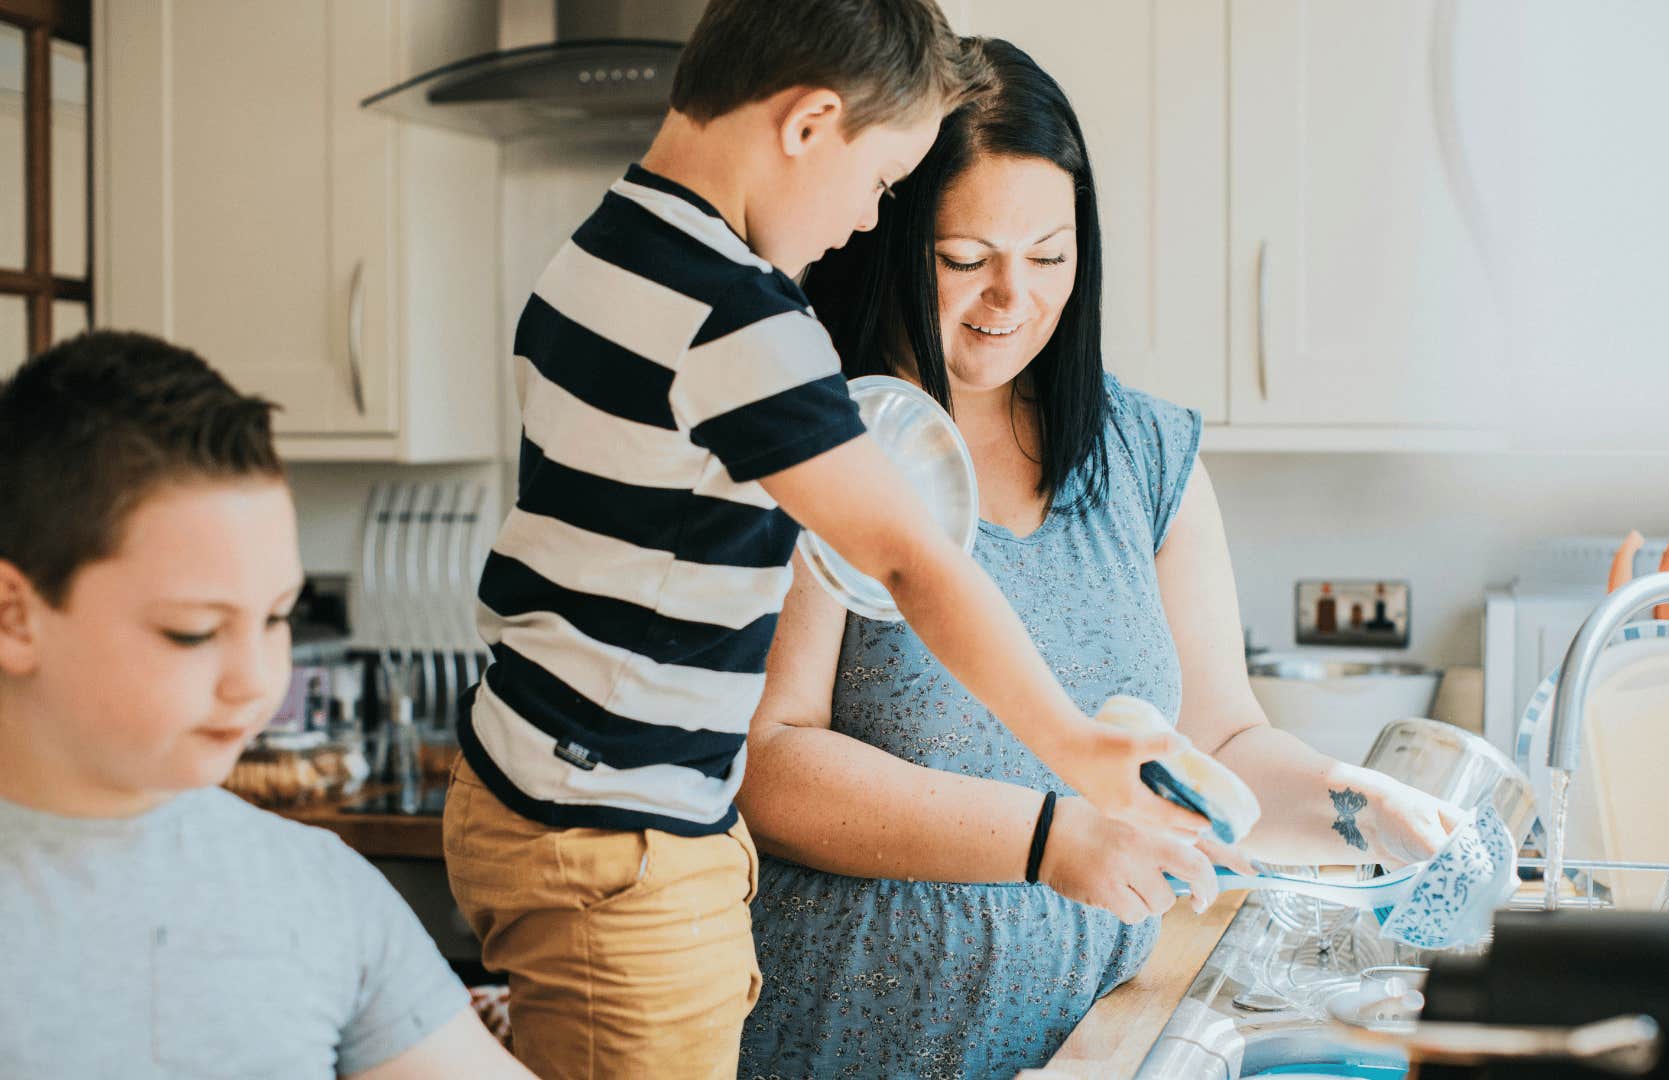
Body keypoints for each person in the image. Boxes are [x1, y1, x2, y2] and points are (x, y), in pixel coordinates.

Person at [443, 3, 1213, 1077]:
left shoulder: (601, 251)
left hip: (524, 792)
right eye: (881, 181)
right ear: (808, 124)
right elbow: (910, 559)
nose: (866, 223)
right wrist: (1073, 748)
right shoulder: (744, 322)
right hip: (623, 836)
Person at [736, 39, 1466, 1078]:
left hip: (1092, 1043)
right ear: (891, 234)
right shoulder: (833, 439)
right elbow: (775, 762)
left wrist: (1359, 805)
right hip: (855, 1046)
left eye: (1049, 255)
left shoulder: (1144, 455)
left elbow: (1216, 739)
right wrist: (1050, 835)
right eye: (964, 258)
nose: (1012, 298)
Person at [0, 331, 531, 1079]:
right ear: (13, 617)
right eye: (193, 632)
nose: (257, 681)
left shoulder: (318, 887)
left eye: (279, 616)